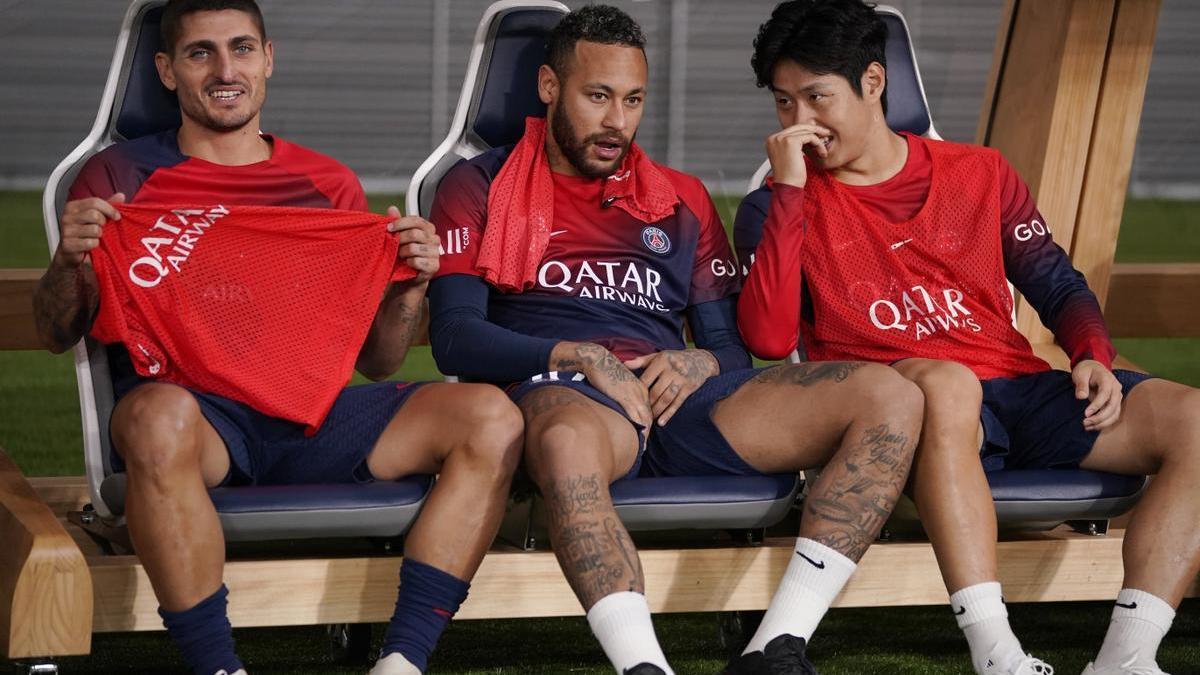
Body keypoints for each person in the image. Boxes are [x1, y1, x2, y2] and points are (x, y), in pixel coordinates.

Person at [426, 5, 924, 674]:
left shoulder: (679, 197)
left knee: (888, 395)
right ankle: (645, 667)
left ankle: (774, 647)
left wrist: (696, 358)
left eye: (632, 100)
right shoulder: (478, 184)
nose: (617, 122)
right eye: (597, 96)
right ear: (549, 87)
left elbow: (730, 349)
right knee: (566, 438)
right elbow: (456, 338)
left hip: (678, 404)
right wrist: (574, 356)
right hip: (568, 398)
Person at [32, 2, 523, 673]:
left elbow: (377, 363)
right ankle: (220, 666)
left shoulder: (326, 185)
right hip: (202, 427)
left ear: (268, 58)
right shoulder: (120, 183)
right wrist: (69, 260)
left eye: (241, 48)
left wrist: (410, 289)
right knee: (152, 415)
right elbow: (59, 332)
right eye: (200, 52)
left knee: (490, 415)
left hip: (316, 418)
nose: (224, 69)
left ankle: (403, 660)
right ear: (167, 70)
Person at [735, 2, 1200, 674]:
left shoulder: (980, 172)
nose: (799, 120)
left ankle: (1126, 657)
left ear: (872, 82)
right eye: (784, 102)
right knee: (949, 387)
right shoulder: (777, 204)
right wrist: (787, 195)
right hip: (910, 410)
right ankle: (997, 653)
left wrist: (1091, 352)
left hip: (1018, 392)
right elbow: (770, 338)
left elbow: (1057, 283)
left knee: (1193, 419)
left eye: (817, 97)